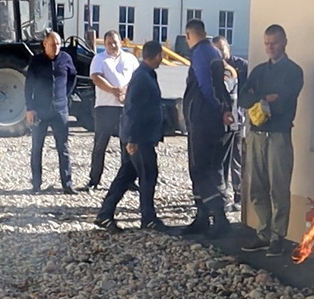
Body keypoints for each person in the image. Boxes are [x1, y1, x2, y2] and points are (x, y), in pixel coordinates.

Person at [238, 24, 304, 257]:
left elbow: (285, 102)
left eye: (274, 43)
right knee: (257, 186)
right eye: (266, 43)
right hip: (256, 135)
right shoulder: (258, 71)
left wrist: (259, 98)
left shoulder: (294, 71)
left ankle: (278, 236)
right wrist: (264, 97)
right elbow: (243, 98)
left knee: (279, 188)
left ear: (284, 42)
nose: (270, 48)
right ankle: (263, 233)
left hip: (279, 136)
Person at [94, 41, 168, 233]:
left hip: (140, 135)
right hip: (139, 137)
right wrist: (131, 139)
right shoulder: (142, 77)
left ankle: (104, 214)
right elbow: (132, 109)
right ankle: (148, 217)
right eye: (161, 56)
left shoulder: (146, 74)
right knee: (148, 175)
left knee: (127, 175)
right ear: (158, 55)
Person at [180, 18, 234, 237]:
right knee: (206, 169)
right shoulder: (213, 52)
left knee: (202, 170)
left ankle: (219, 219)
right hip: (209, 121)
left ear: (188, 36)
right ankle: (202, 217)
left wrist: (218, 109)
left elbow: (206, 87)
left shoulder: (201, 54)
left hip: (204, 121)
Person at [82, 30, 140, 191]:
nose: (112, 45)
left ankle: (128, 179)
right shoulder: (99, 59)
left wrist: (125, 91)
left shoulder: (131, 59)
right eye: (108, 43)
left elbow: (137, 78)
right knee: (100, 145)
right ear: (104, 44)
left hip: (125, 108)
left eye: (115, 42)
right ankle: (94, 180)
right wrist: (114, 90)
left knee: (127, 145)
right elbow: (96, 77)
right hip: (105, 107)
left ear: (121, 42)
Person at [25, 31, 77, 194]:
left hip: (60, 110)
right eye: (53, 44)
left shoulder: (66, 59)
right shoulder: (37, 61)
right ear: (45, 44)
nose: (56, 48)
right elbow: (28, 86)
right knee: (37, 147)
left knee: (63, 147)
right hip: (40, 111)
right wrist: (30, 108)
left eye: (59, 45)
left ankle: (67, 184)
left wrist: (65, 95)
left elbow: (72, 77)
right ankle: (36, 185)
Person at [211, 35, 248, 211]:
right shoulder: (213, 68)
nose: (219, 53)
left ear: (228, 48)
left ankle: (239, 195)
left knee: (237, 158)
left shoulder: (241, 66)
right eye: (216, 50)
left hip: (237, 119)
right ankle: (222, 195)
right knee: (221, 160)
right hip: (219, 121)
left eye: (222, 49)